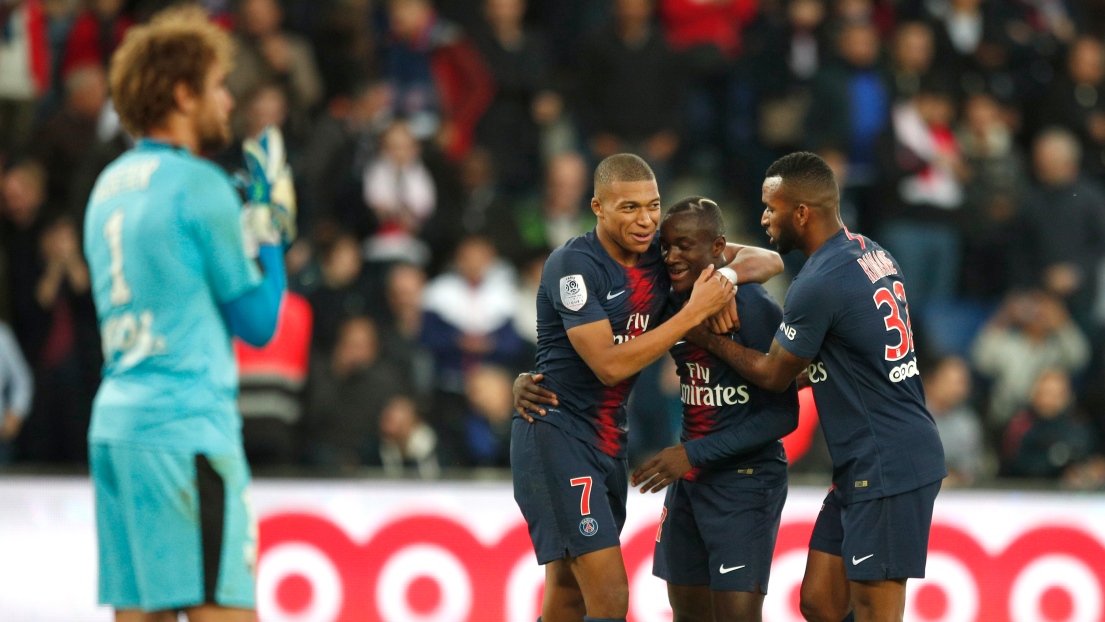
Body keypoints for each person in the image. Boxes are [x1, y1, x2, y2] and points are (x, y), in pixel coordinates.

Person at [82, 7, 293, 621]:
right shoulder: (200, 185)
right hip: (186, 432)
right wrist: (272, 236)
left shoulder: (107, 185)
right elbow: (257, 323)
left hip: (116, 426)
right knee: (223, 612)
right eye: (217, 85)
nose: (227, 100)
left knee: (138, 614)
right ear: (182, 93)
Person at [510, 153, 783, 622]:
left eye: (653, 205)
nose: (646, 220)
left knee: (568, 594)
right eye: (630, 208)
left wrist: (725, 280)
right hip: (556, 432)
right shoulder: (573, 266)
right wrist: (694, 312)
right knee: (611, 599)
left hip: (607, 441)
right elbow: (608, 366)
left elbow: (769, 258)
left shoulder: (661, 254)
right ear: (597, 207)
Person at [685, 152, 945, 622]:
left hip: (888, 460)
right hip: (867, 459)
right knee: (820, 602)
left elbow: (774, 374)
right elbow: (840, 360)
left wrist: (703, 336)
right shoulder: (871, 251)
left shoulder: (817, 283)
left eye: (770, 208)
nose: (763, 218)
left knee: (874, 611)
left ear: (801, 213)